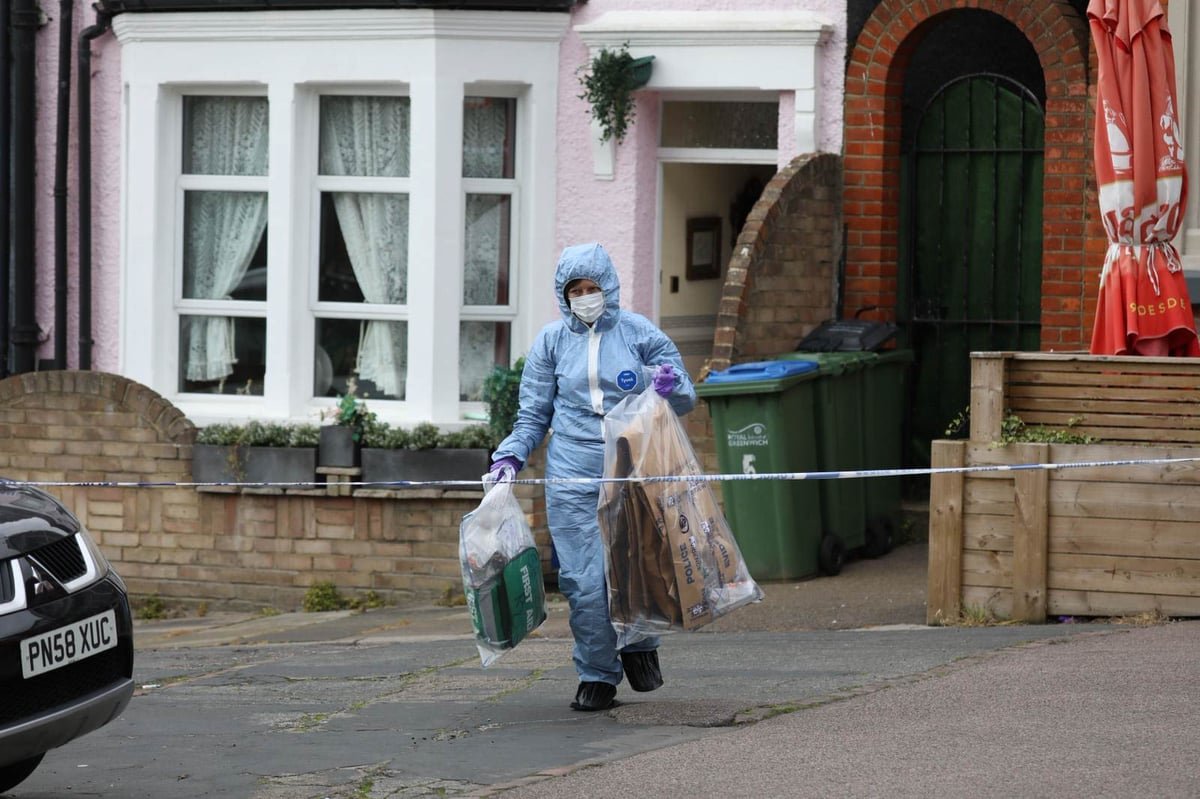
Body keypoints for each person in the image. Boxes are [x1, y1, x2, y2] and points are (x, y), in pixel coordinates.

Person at [488, 242, 697, 711]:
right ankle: (597, 675)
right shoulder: (550, 343)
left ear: (609, 288)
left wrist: (670, 384)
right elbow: (532, 415)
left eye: (592, 288)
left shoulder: (639, 333)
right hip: (572, 474)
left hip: (633, 465)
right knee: (584, 581)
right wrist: (510, 458)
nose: (585, 297)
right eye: (575, 290)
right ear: (563, 296)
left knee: (635, 568)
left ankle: (640, 648)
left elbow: (684, 396)